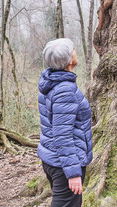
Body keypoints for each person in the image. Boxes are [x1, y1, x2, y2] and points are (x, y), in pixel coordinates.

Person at [37, 38, 93, 207]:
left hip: (55, 159)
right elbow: (62, 135)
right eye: (73, 50)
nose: (76, 51)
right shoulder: (64, 91)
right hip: (64, 164)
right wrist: (73, 173)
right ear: (69, 60)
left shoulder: (51, 82)